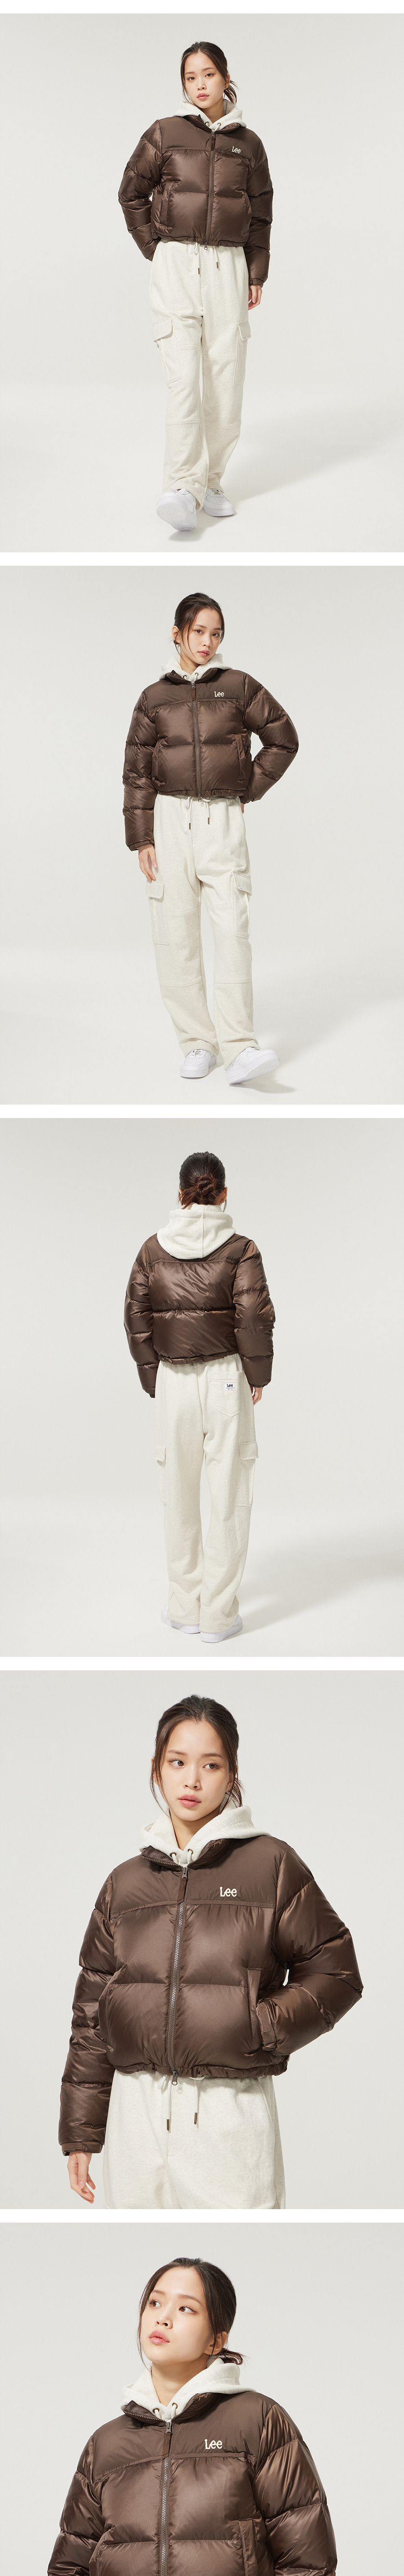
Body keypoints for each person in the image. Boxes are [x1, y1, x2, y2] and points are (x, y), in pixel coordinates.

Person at [60, 1691, 362, 2212]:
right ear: (157, 1769)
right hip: (135, 2117)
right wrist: (81, 2132)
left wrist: (259, 2026)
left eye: (211, 1765)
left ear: (232, 1774)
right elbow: (92, 2013)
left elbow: (337, 1973)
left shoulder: (271, 1865)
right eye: (178, 1762)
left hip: (228, 2114)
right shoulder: (124, 1884)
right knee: (142, 2246)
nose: (192, 1781)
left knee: (238, 2246)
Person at [48, 2253, 337, 2576]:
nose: (162, 2317)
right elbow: (73, 2566)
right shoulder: (107, 2444)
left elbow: (307, 2560)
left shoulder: (259, 2421)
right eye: (155, 2303)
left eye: (186, 2309)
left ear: (216, 2339)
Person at [123, 591, 298, 1086]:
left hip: (221, 820)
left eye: (216, 633)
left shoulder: (238, 686)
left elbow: (284, 738)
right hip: (169, 820)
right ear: (177, 633)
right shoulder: (153, 698)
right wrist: (142, 839)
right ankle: (198, 1043)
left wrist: (248, 789)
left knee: (232, 932)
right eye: (198, 631)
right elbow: (137, 772)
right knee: (176, 935)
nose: (207, 642)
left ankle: (240, 1048)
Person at [119, 41, 273, 530]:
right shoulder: (165, 132)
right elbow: (131, 193)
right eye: (191, 77)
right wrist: (157, 248)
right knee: (183, 380)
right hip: (177, 266)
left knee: (225, 382)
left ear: (226, 78)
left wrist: (256, 272)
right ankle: (181, 488)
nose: (200, 84)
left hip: (228, 267)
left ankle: (211, 481)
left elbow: (261, 214)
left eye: (208, 74)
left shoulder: (249, 145)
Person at [124, 1146, 275, 1639]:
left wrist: (156, 1379)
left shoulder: (152, 1249)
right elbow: (254, 1317)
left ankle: (185, 1608)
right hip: (227, 1377)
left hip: (175, 1378)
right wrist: (257, 1375)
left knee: (178, 1495)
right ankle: (218, 1617)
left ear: (181, 1194)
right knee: (229, 1495)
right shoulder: (242, 1248)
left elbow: (137, 1318)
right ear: (224, 1194)